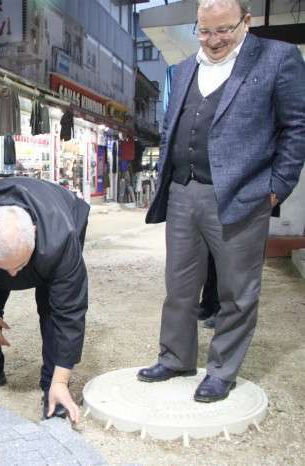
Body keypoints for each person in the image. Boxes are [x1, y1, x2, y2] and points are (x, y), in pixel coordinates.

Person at [138, 0, 305, 402]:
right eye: (205, 31)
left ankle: (221, 370)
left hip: (244, 195)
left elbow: (296, 127)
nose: (213, 40)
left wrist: (277, 186)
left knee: (237, 291)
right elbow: (170, 128)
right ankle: (175, 357)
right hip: (182, 192)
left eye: (223, 30)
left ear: (246, 21)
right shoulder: (183, 69)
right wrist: (167, 175)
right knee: (179, 287)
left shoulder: (278, 58)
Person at [0, 177, 89, 425]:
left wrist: (62, 380)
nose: (12, 276)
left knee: (52, 309)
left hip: (56, 224)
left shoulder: (61, 239)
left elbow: (71, 312)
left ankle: (52, 384)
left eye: (19, 266)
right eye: (4, 268)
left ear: (34, 232)